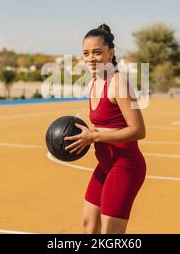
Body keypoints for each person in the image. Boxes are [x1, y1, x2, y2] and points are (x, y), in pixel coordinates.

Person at [64, 24, 147, 234]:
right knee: (88, 226)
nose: (91, 58)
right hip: (105, 164)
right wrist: (84, 133)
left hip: (125, 166)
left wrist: (94, 136)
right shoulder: (93, 83)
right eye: (86, 53)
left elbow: (138, 130)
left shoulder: (119, 83)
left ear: (111, 53)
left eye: (97, 52)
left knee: (111, 234)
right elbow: (102, 125)